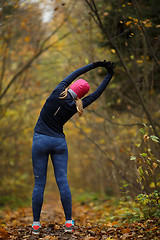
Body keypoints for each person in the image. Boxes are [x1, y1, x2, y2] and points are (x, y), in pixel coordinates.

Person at [31, 60, 114, 235]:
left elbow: (75, 73)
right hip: (59, 143)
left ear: (71, 86)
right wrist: (109, 74)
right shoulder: (76, 106)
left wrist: (94, 65)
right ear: (80, 96)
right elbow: (97, 94)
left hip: (40, 140)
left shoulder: (56, 92)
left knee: (39, 183)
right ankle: (69, 223)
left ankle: (36, 225)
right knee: (62, 181)